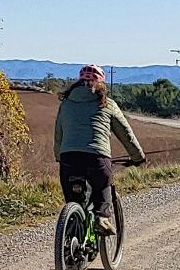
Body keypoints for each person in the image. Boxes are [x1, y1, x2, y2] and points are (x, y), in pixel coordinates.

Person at [54, 64, 145, 235]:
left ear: (78, 83)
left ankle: (70, 237)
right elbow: (126, 133)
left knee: (73, 200)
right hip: (97, 158)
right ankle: (102, 218)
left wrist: (59, 156)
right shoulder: (108, 104)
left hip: (68, 158)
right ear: (102, 84)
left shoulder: (65, 104)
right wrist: (137, 157)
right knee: (103, 187)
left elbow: (58, 133)